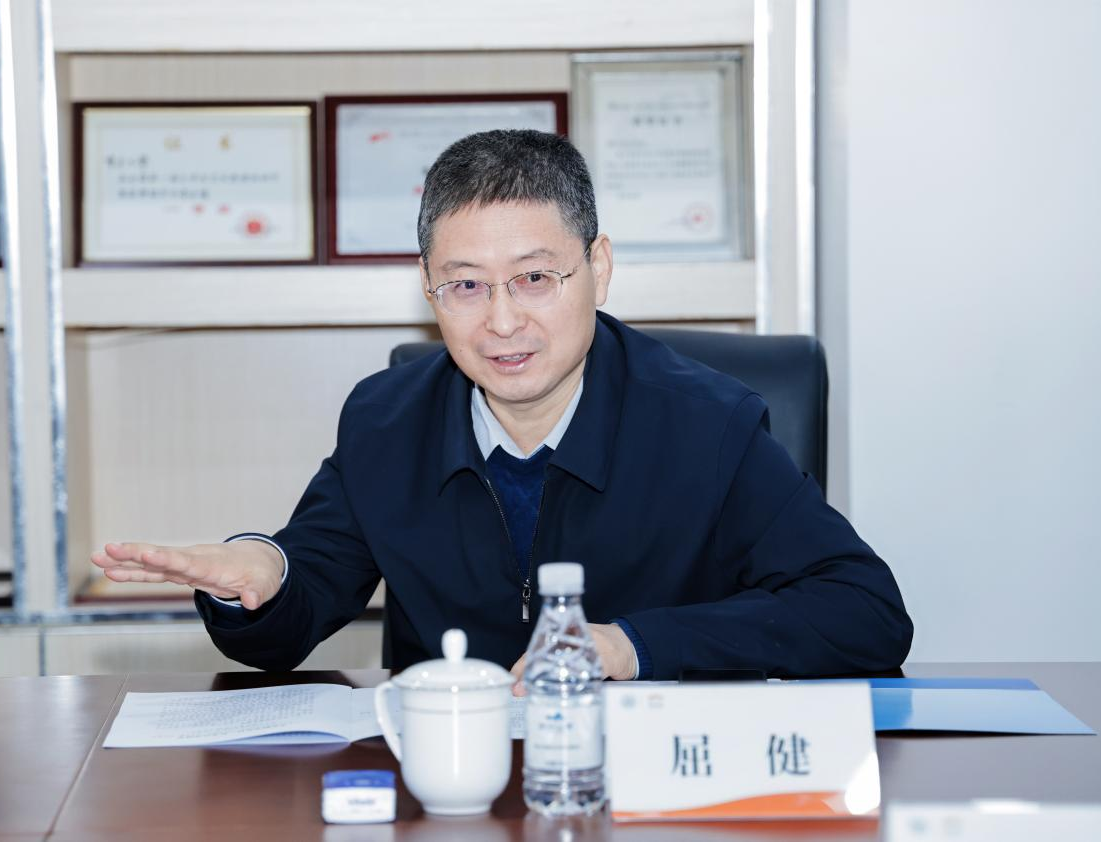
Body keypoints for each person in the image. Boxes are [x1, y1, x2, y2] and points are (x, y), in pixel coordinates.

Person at [92, 129, 913, 685]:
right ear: (428, 288)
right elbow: (296, 613)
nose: (503, 321)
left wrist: (631, 646)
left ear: (598, 267)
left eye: (535, 278)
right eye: (466, 286)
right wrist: (262, 576)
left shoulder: (707, 423)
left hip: (643, 789)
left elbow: (863, 611)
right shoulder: (386, 420)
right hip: (448, 791)